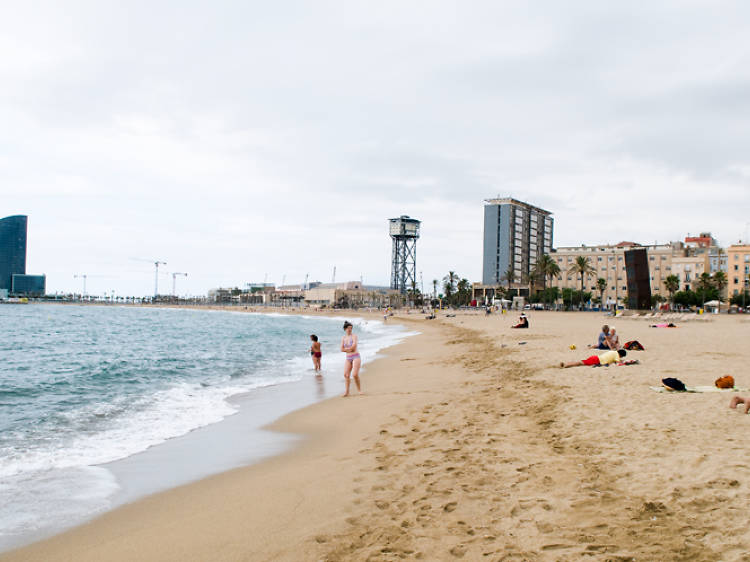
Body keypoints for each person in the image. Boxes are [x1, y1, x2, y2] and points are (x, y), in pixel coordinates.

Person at [340, 321, 362, 397]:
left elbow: (354, 346)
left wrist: (346, 349)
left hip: (356, 356)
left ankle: (359, 390)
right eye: (348, 328)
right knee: (346, 375)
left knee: (355, 374)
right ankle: (347, 392)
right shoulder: (343, 338)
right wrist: (348, 350)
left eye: (351, 328)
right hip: (348, 358)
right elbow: (341, 349)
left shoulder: (354, 336)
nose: (350, 329)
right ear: (345, 329)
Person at [560, 349, 627, 368]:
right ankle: (566, 365)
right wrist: (625, 363)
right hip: (596, 360)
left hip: (596, 357)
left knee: (581, 362)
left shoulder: (613, 352)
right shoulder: (616, 355)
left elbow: (615, 360)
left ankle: (567, 363)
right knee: (580, 363)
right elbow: (618, 363)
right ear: (620, 355)